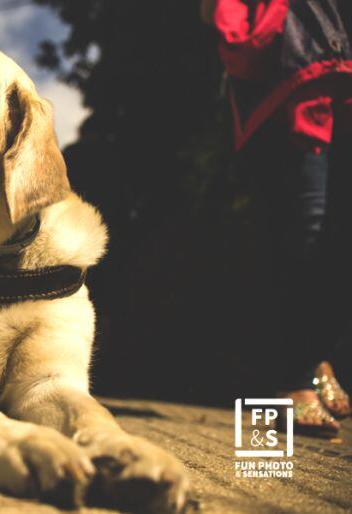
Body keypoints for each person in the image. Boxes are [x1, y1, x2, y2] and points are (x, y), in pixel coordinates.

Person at [204, 0, 351, 436]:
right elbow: (238, 46)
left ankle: (313, 357)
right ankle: (291, 378)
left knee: (336, 238)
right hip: (286, 107)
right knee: (302, 234)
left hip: (339, 101)